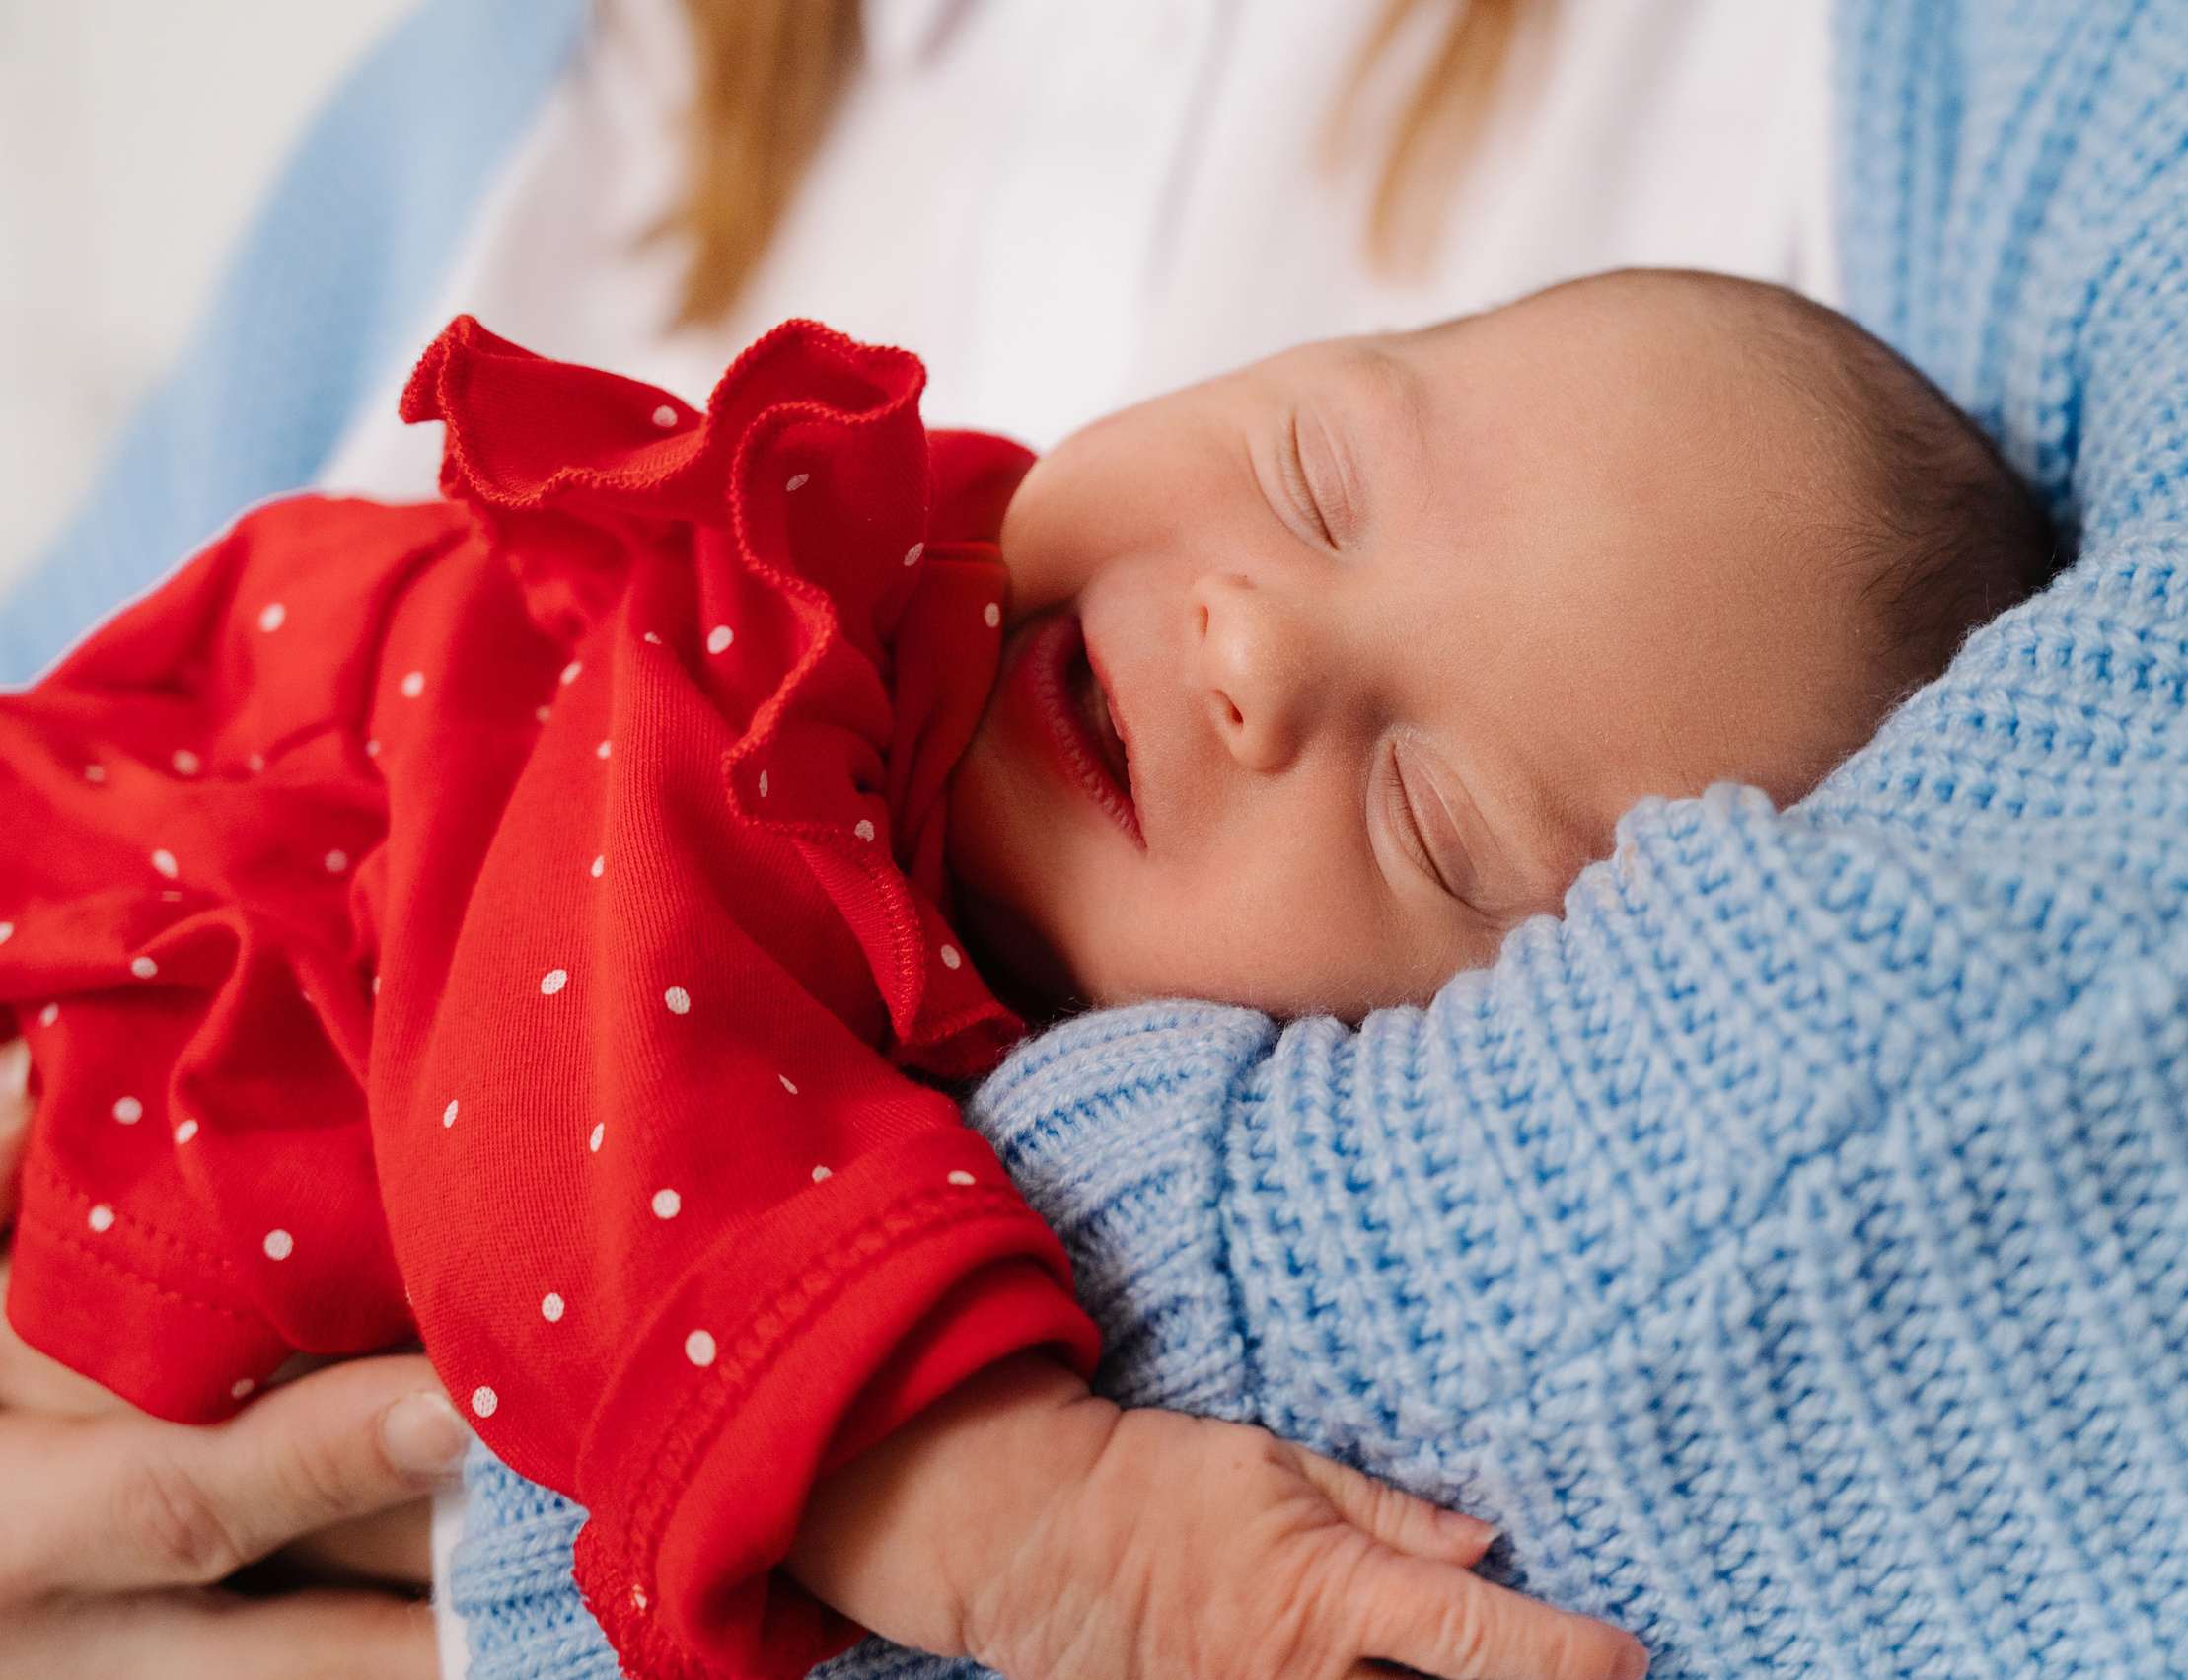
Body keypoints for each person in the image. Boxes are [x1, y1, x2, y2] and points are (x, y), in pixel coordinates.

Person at [0, 269, 2047, 1680]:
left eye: (1432, 828)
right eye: (1316, 473)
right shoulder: (757, 673)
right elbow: (593, 1142)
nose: (1250, 642)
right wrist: (1051, 1526)